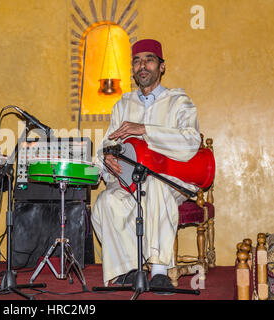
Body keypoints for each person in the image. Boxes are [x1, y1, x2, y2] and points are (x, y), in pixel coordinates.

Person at [92, 39, 201, 290]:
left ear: (161, 67)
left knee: (155, 185)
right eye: (137, 60)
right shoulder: (123, 105)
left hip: (172, 179)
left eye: (149, 59)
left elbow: (191, 141)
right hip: (132, 181)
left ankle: (160, 270)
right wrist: (107, 157)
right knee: (107, 202)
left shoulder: (179, 102)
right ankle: (129, 269)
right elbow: (108, 145)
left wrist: (145, 130)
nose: (143, 65)